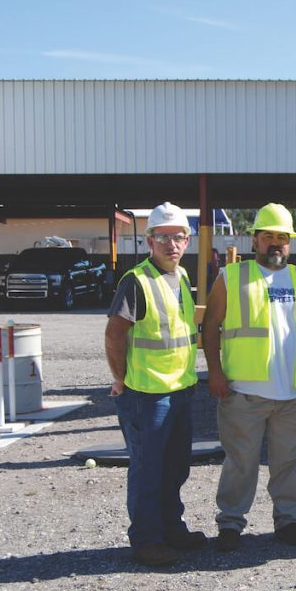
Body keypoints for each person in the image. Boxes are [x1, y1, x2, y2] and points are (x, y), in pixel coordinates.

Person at [202, 203, 296, 552]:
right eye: (267, 235)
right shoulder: (231, 277)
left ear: (290, 243)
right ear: (254, 240)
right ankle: (230, 524)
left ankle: (289, 521)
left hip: (295, 394)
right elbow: (210, 327)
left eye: (282, 237)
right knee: (241, 463)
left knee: (291, 463)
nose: (275, 243)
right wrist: (215, 372)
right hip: (244, 392)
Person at [104, 202, 204, 567]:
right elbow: (115, 333)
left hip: (179, 390)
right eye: (163, 237)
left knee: (175, 467)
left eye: (178, 237)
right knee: (148, 469)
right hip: (147, 395)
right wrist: (120, 379)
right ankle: (146, 539)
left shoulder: (182, 279)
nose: (172, 244)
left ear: (187, 240)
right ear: (149, 240)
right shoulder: (137, 280)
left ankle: (171, 528)